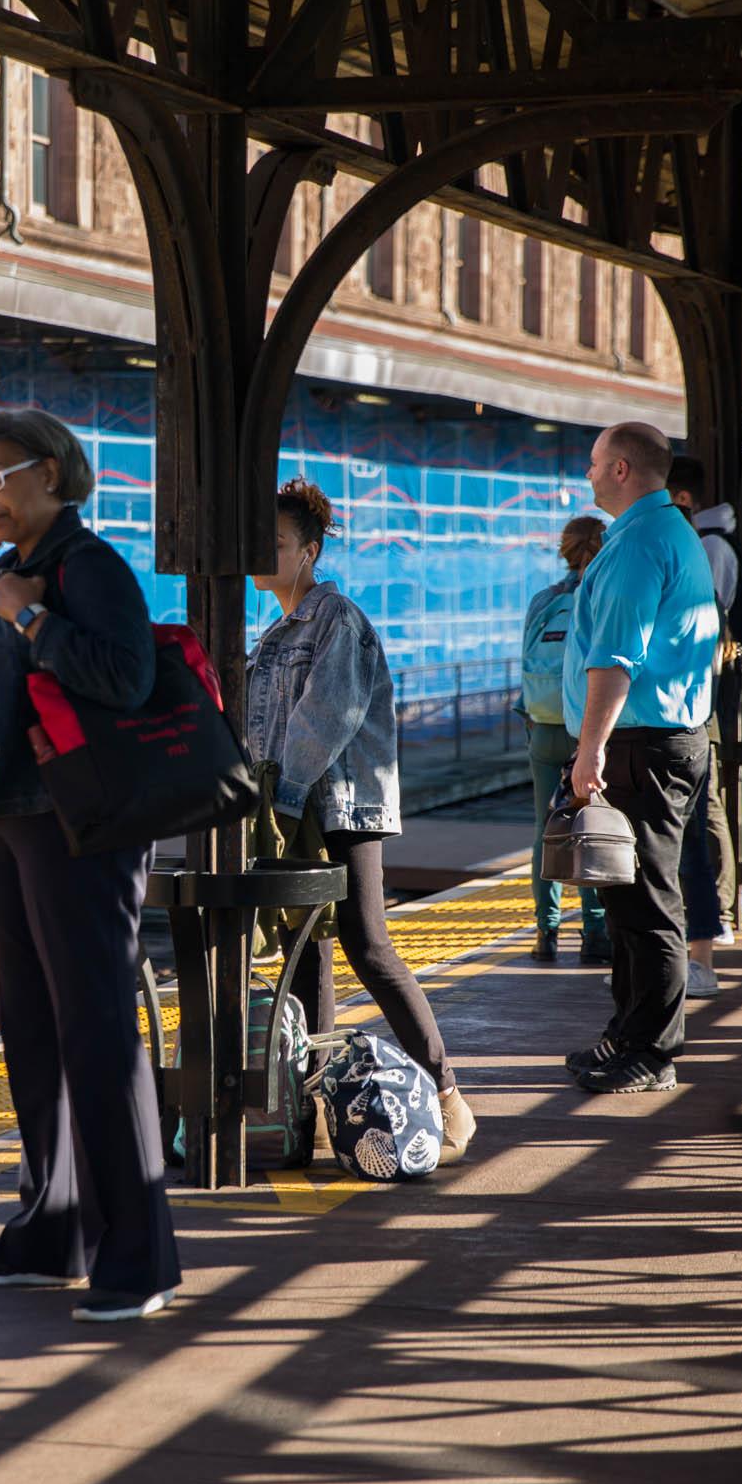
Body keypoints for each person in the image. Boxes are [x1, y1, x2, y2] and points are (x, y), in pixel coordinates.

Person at [0, 408, 180, 1322]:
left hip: (74, 824)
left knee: (99, 1030)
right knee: (30, 1028)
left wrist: (31, 619)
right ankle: (53, 1227)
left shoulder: (85, 567)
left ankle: (138, 1256)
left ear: (55, 474)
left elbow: (126, 677)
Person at [245, 477, 476, 1163]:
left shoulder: (335, 619)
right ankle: (312, 1106)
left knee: (367, 943)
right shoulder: (275, 631)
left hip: (341, 807)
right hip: (296, 807)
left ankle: (446, 1095)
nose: (264, 554)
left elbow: (330, 715)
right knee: (305, 953)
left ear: (309, 551)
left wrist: (279, 799)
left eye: (278, 544)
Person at [561, 422, 720, 1095]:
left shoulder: (638, 545)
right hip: (661, 741)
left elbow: (615, 658)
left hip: (640, 746)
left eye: (595, 463)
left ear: (622, 469)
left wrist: (589, 749)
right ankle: (625, 1036)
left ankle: (651, 1053)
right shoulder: (667, 533)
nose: (588, 474)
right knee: (627, 903)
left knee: (647, 904)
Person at [523, 516, 609, 965]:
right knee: (590, 830)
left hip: (543, 730)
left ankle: (546, 934)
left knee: (546, 831)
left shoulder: (543, 601)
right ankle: (595, 935)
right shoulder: (604, 598)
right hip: (588, 730)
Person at [668, 454, 738, 999]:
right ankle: (695, 958)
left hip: (675, 727)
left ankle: (696, 959)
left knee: (684, 849)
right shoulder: (701, 579)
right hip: (694, 720)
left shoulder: (684, 565)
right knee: (686, 847)